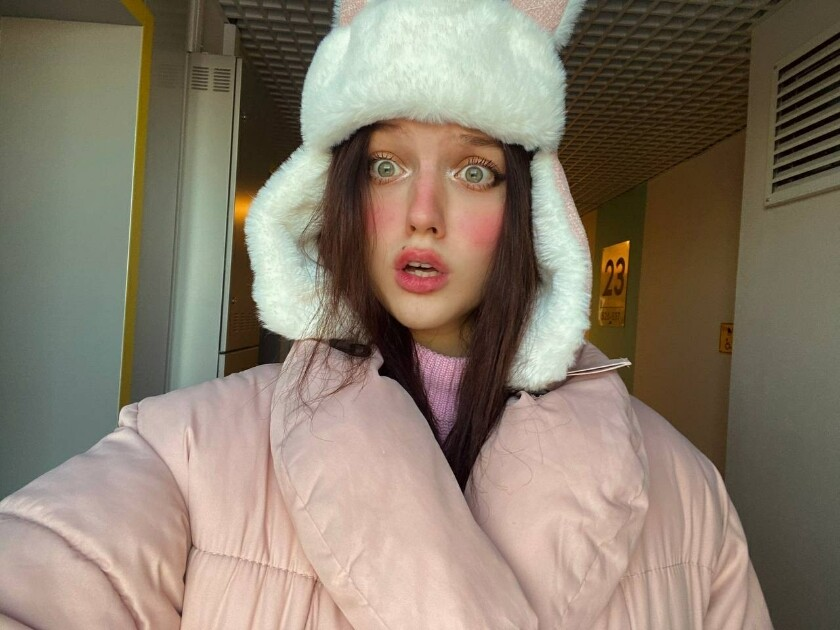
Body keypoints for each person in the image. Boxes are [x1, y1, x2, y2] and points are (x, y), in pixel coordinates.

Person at [0, 0, 773, 628]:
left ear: (531, 211)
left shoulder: (684, 489)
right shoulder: (184, 451)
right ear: (337, 193)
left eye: (475, 171)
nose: (422, 213)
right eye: (386, 165)